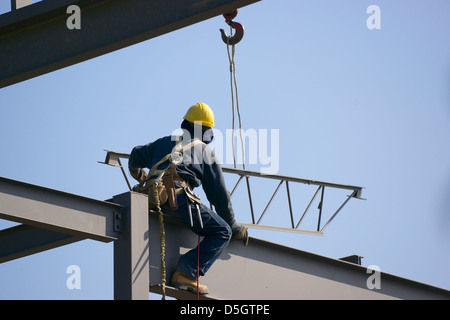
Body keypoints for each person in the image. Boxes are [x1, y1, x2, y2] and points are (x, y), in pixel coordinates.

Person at [128, 102, 248, 295]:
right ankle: (186, 273)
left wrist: (139, 175)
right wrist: (235, 227)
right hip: (178, 198)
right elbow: (219, 197)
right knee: (222, 232)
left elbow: (135, 155)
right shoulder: (205, 152)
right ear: (205, 132)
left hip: (152, 198)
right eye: (209, 134)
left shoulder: (165, 141)